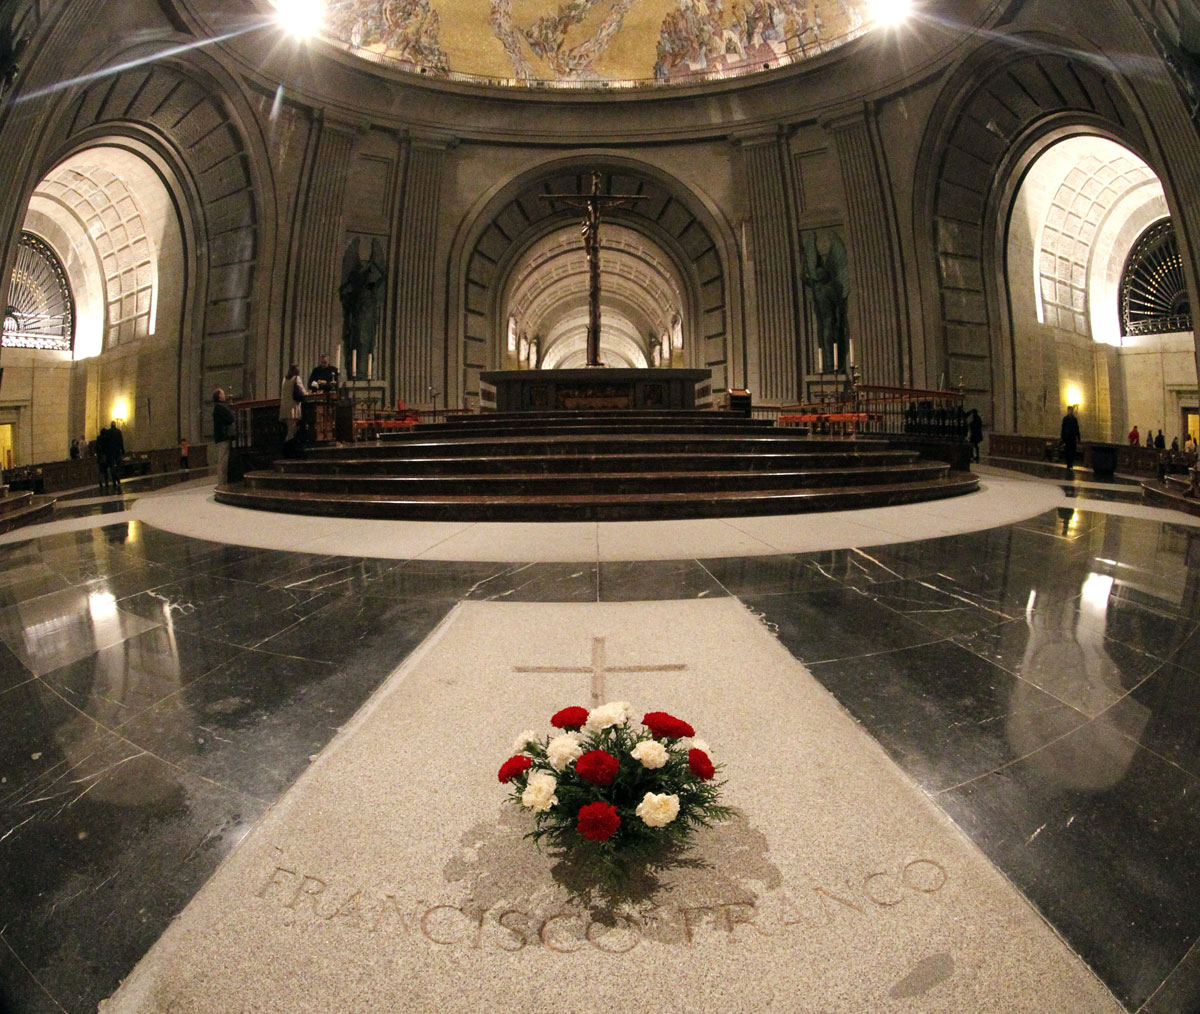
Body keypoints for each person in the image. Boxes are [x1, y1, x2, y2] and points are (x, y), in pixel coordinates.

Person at [212, 388, 235, 484]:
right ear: (219, 396)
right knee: (223, 461)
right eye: (223, 393)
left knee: (222, 460)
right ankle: (222, 483)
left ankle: (222, 482)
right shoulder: (219, 407)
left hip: (221, 437)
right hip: (222, 437)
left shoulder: (218, 407)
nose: (225, 395)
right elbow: (230, 418)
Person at [280, 363, 305, 443]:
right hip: (293, 407)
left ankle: (289, 445)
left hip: (284, 406)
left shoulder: (285, 379)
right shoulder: (296, 378)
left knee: (289, 429)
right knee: (291, 431)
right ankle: (288, 447)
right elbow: (303, 392)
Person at [1060, 405, 1081, 473]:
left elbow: (1077, 428)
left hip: (1073, 438)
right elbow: (1063, 429)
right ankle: (1068, 464)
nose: (1070, 412)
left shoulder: (1074, 419)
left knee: (1072, 451)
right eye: (1069, 410)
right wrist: (1062, 437)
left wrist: (1078, 437)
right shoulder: (1065, 419)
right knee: (1067, 451)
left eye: (1071, 410)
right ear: (1068, 411)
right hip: (1067, 438)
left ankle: (1071, 464)